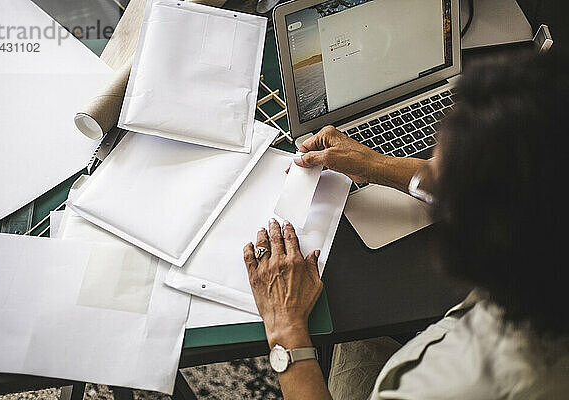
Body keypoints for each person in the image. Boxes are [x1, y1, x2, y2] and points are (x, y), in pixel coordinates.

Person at [242, 51, 569, 399]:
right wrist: (376, 164)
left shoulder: (455, 386)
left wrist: (285, 328)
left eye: (438, 171)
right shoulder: (547, 250)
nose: (427, 174)